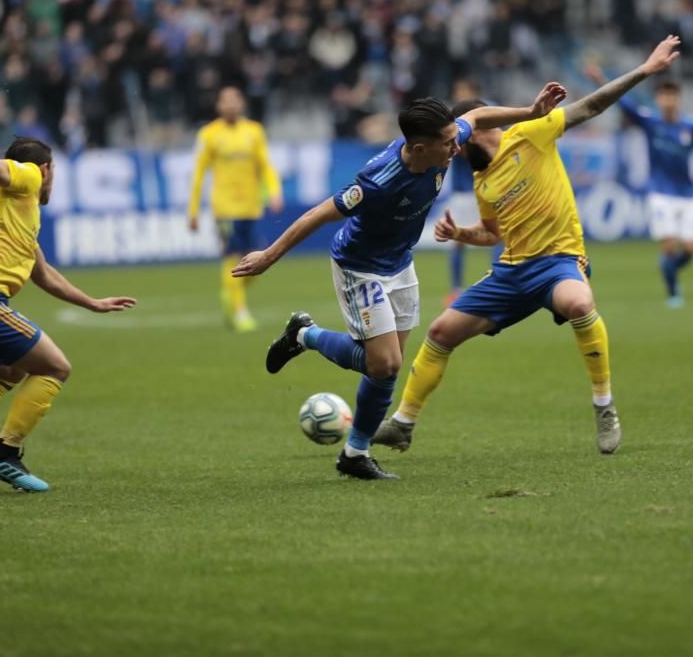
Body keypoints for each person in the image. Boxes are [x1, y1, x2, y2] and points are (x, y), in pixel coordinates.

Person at [231, 84, 567, 481]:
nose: (456, 147)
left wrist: (531, 111)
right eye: (447, 143)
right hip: (361, 267)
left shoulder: (448, 138)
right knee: (384, 362)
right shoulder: (377, 181)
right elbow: (319, 214)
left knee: (385, 368)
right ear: (420, 149)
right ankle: (305, 335)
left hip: (401, 263)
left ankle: (355, 453)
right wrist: (269, 256)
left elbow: (475, 118)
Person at [371, 36, 684, 456]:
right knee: (441, 331)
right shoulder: (483, 179)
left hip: (558, 261)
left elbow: (590, 107)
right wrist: (464, 235)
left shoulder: (530, 134)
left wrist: (644, 71)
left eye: (454, 134)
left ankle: (604, 406)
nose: (453, 144)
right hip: (512, 271)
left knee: (578, 303)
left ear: (472, 128)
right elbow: (493, 233)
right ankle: (403, 423)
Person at [0, 138, 136, 493]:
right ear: (46, 170)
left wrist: (93, 303)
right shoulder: (28, 176)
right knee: (56, 367)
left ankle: (3, 454)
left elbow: (43, 274)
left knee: (11, 369)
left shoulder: (16, 211)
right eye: (54, 172)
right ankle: (5, 454)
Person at [585, 67, 693, 308]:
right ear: (658, 99)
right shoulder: (650, 121)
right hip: (660, 192)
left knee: (690, 250)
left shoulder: (691, 127)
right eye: (664, 95)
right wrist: (601, 81)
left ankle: (668, 269)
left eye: (673, 95)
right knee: (668, 245)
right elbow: (623, 103)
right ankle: (673, 292)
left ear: (678, 99)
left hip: (688, 193)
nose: (668, 100)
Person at [187, 86, 282, 333]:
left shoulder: (254, 131)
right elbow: (198, 174)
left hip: (251, 206)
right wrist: (193, 210)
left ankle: (231, 290)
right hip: (225, 208)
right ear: (218, 105)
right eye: (225, 100)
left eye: (234, 100)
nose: (230, 105)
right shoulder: (209, 134)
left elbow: (266, 165)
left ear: (242, 104)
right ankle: (240, 312)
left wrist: (274, 191)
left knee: (257, 261)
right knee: (233, 256)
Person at [443, 79, 503, 305]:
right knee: (457, 239)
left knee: (497, 235)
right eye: (457, 91)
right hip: (463, 191)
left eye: (464, 90)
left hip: (488, 186)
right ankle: (455, 288)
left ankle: (498, 280)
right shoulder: (452, 120)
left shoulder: (489, 115)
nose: (459, 94)